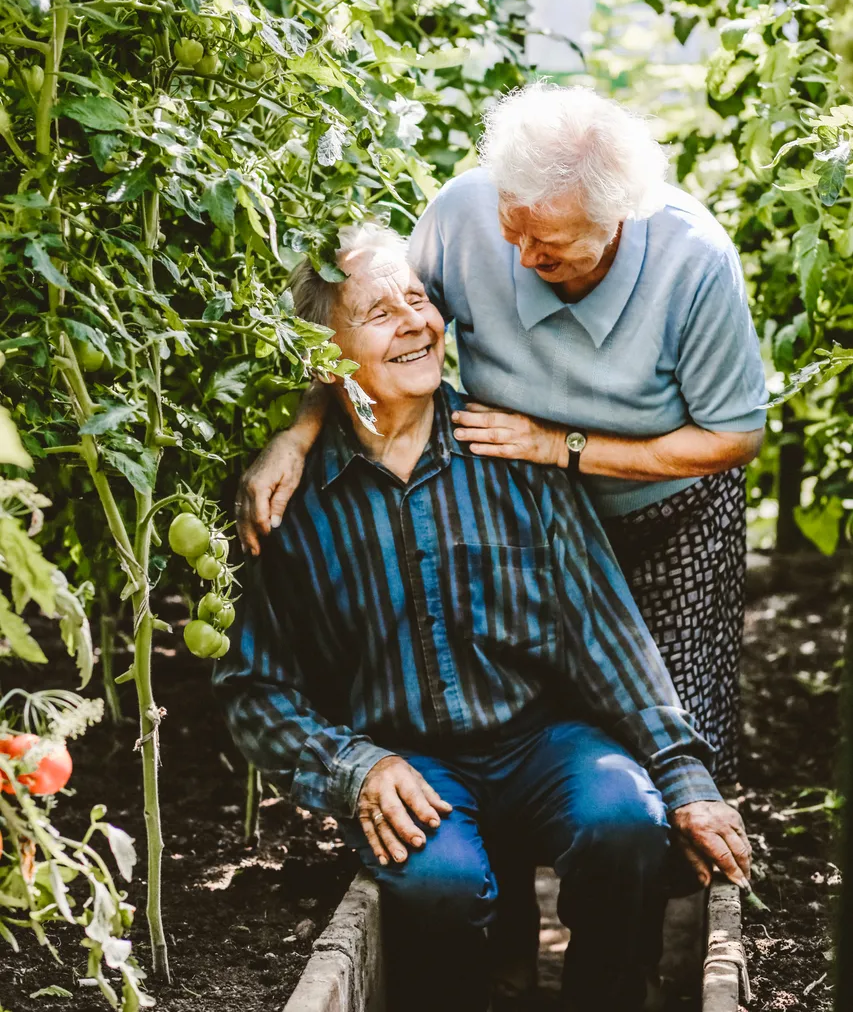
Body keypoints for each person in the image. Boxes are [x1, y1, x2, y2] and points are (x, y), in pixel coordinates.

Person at [215, 224, 752, 1012]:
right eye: (378, 311)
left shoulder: (508, 453)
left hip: (540, 738)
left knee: (625, 822)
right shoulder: (290, 502)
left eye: (419, 299)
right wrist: (351, 768)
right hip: (409, 756)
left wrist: (682, 776)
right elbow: (252, 685)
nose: (415, 321)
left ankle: (606, 995)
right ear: (321, 357)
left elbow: (604, 631)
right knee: (442, 883)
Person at [235, 84, 767, 785]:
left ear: (615, 219)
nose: (517, 259)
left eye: (545, 246)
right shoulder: (464, 213)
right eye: (510, 230)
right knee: (544, 715)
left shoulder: (692, 258)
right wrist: (299, 434)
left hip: (667, 512)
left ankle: (676, 872)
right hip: (522, 507)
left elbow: (732, 438)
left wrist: (560, 446)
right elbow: (378, 330)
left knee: (676, 716)